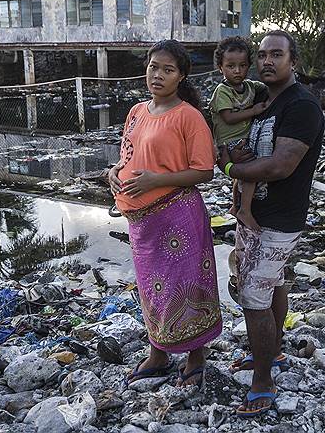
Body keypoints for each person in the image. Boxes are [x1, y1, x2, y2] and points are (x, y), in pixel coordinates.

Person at [217, 30, 325, 417]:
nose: (266, 62)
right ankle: (274, 353)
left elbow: (281, 166)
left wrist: (230, 166)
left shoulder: (301, 106)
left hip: (279, 220)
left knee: (251, 298)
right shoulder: (264, 100)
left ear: (293, 61)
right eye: (261, 55)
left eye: (276, 55)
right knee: (273, 284)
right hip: (256, 216)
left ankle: (263, 381)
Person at [109, 39, 221, 388]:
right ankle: (158, 352)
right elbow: (129, 153)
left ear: (181, 76)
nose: (157, 75)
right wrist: (114, 171)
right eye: (153, 66)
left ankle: (195, 356)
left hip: (178, 217)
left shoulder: (189, 117)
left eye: (167, 70)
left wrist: (158, 180)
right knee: (151, 288)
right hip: (142, 221)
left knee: (187, 287)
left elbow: (204, 171)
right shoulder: (137, 111)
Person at [208, 36, 268, 233]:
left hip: (242, 140)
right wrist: (255, 110)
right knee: (251, 173)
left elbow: (268, 87)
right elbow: (228, 118)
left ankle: (235, 206)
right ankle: (245, 210)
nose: (237, 71)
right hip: (229, 142)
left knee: (239, 177)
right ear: (220, 67)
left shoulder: (250, 86)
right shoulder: (222, 91)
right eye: (231, 66)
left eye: (242, 66)